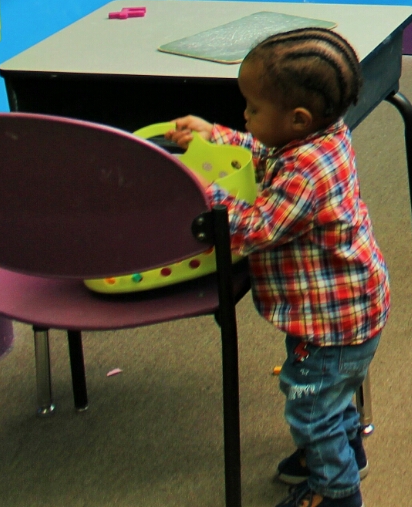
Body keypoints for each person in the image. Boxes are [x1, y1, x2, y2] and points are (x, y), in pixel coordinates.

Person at [171, 28, 389, 507]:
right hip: (336, 309)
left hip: (332, 320)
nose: (245, 117)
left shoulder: (305, 170)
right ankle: (347, 453)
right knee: (330, 393)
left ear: (297, 118)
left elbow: (256, 227)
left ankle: (337, 493)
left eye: (252, 109)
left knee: (311, 408)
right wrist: (214, 137)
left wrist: (202, 192)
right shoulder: (316, 139)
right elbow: (264, 153)